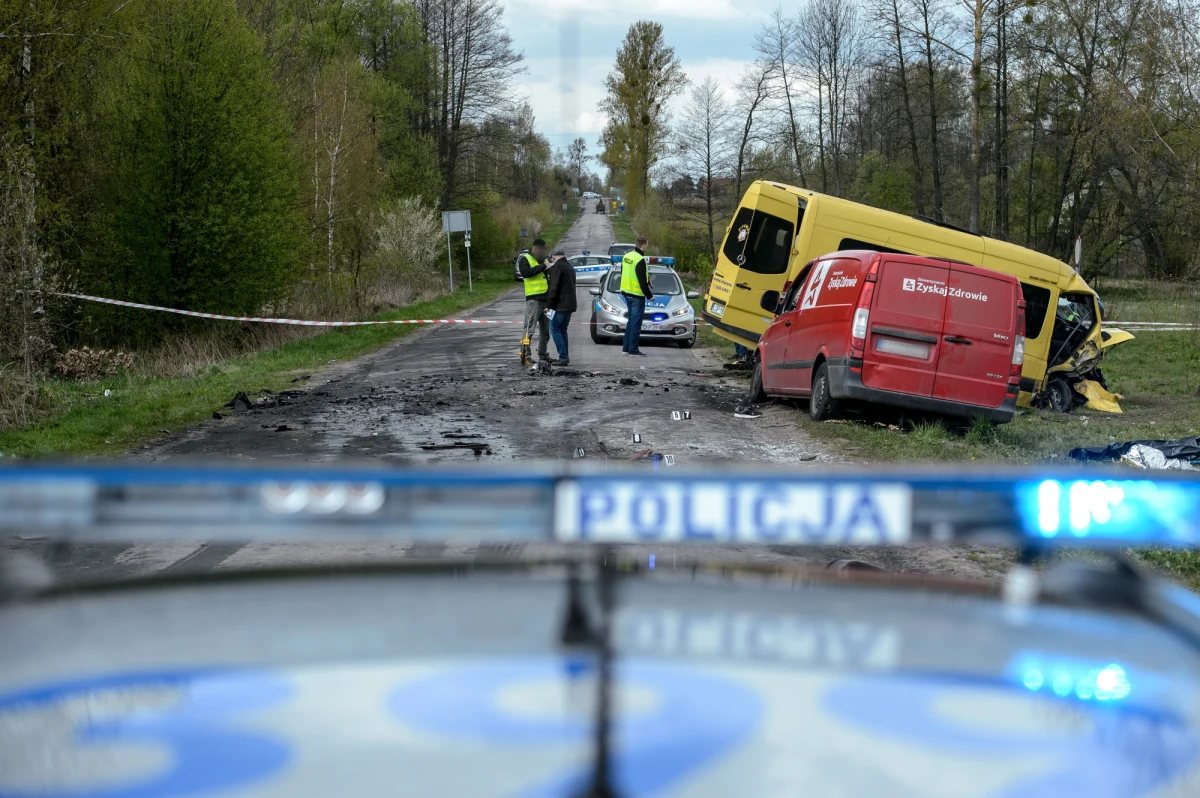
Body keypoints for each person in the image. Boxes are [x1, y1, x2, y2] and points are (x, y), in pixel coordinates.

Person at [619, 235, 654, 356]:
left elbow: (625, 273)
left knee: (630, 321)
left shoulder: (627, 256)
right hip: (636, 295)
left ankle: (626, 348)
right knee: (635, 323)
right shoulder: (640, 259)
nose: (647, 247)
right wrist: (649, 295)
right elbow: (641, 281)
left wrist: (647, 279)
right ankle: (633, 349)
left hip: (626, 292)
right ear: (644, 245)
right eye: (647, 245)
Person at [518, 238, 552, 363]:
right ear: (535, 249)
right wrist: (543, 266)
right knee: (529, 328)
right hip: (534, 299)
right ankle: (525, 354)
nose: (542, 252)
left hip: (546, 299)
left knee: (546, 330)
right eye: (541, 250)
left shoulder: (545, 259)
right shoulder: (525, 259)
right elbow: (526, 273)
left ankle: (543, 354)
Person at [544, 249, 577, 366]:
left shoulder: (558, 267)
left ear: (553, 256)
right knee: (562, 330)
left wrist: (549, 305)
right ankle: (565, 356)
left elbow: (554, 287)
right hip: (570, 304)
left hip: (561, 305)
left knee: (554, 329)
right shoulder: (569, 266)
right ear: (564, 255)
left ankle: (563, 357)